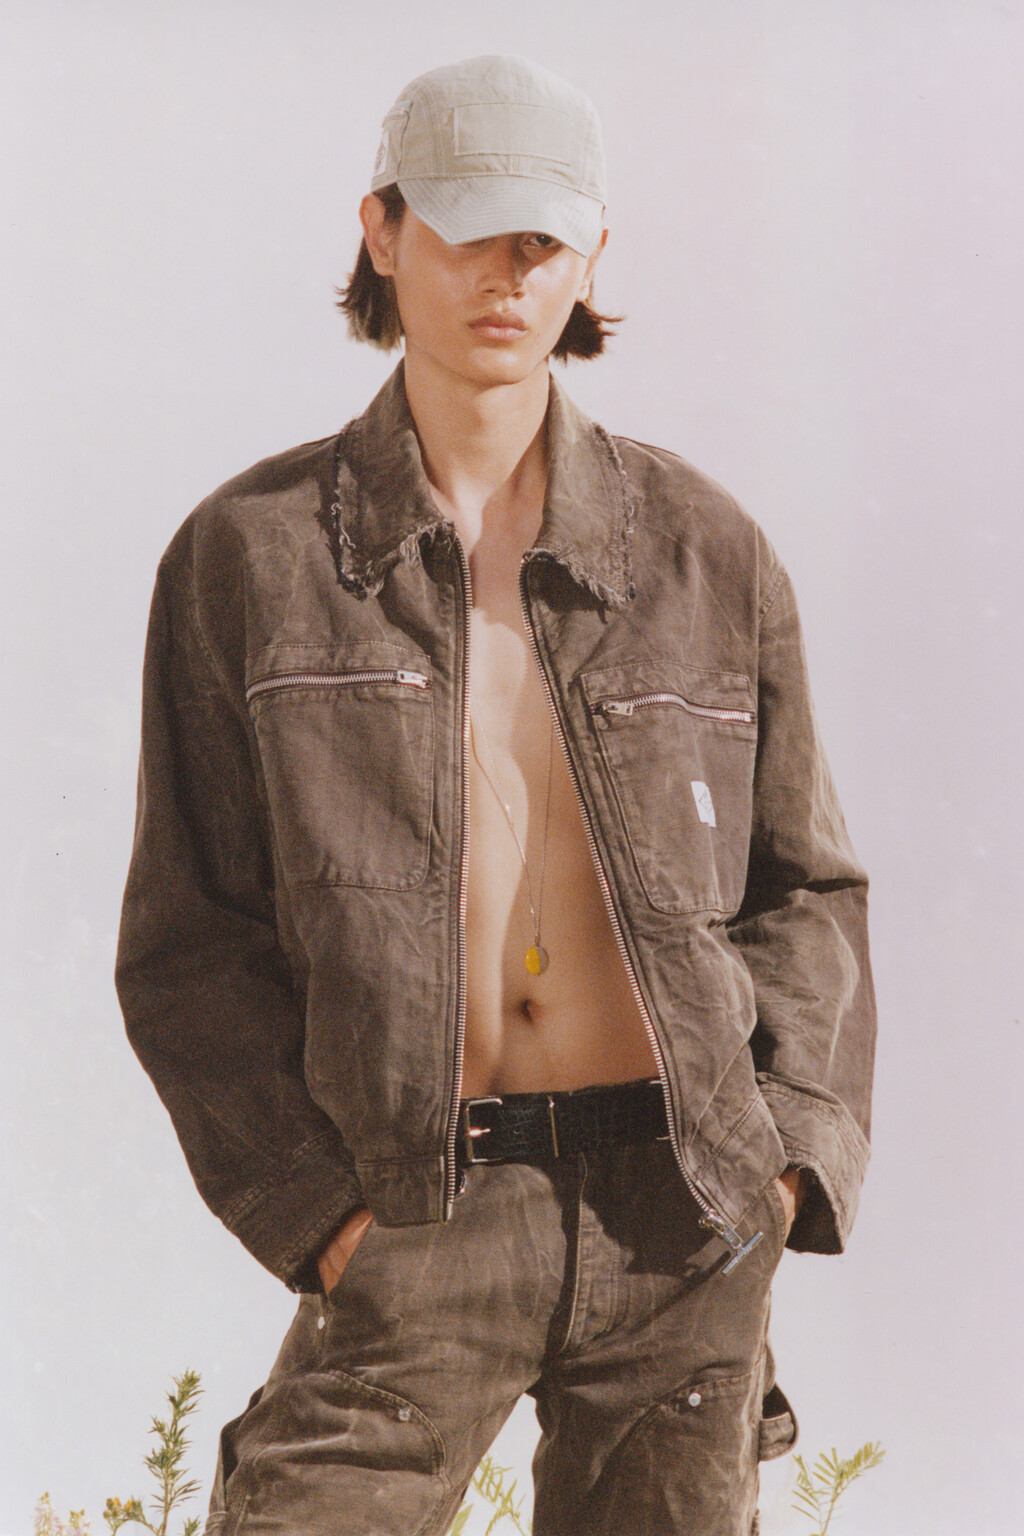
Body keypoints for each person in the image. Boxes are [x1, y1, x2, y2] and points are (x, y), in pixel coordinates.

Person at [116, 54, 876, 1536]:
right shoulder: (251, 556)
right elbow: (187, 944)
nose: (506, 275)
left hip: (682, 1216)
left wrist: (786, 1168)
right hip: (415, 1215)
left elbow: (807, 891)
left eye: (541, 239)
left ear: (592, 255)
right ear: (383, 229)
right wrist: (319, 1219)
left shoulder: (706, 550)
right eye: (467, 229)